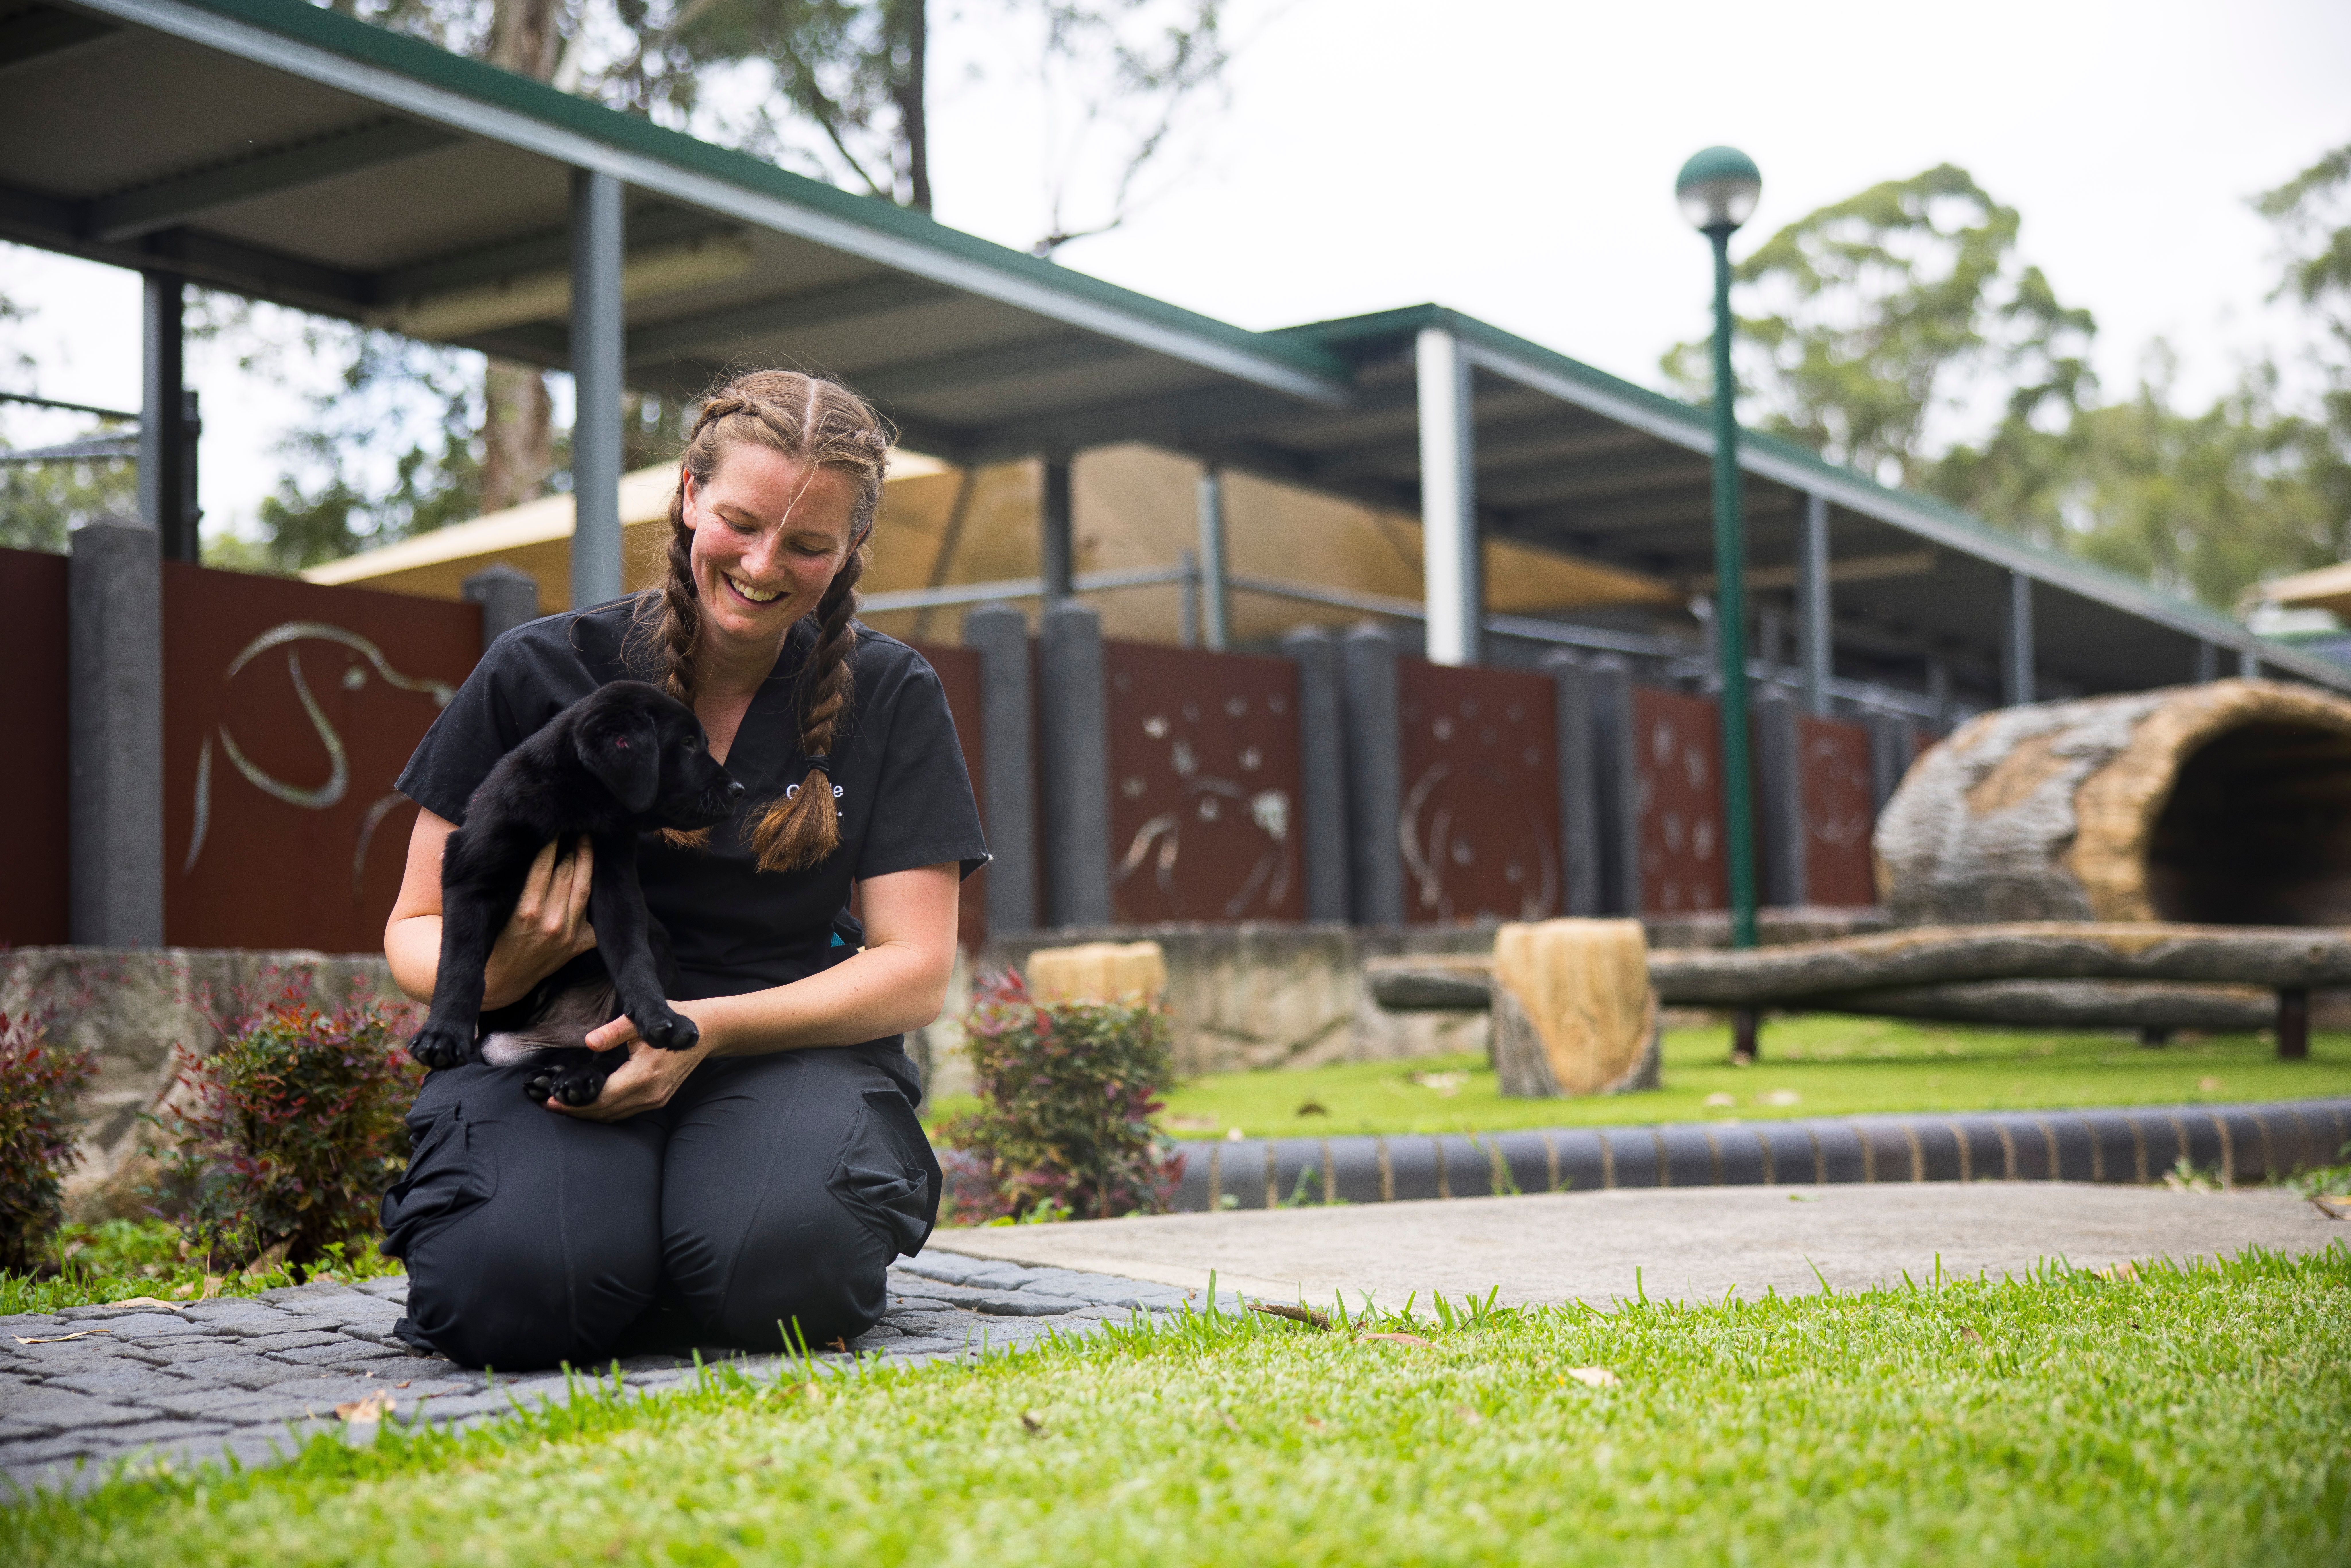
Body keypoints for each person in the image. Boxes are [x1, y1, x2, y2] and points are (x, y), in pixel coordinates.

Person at [378, 370, 987, 1371]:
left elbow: (915, 967)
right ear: (688, 498)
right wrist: (500, 972)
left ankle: (687, 1239)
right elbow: (412, 924)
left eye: (807, 544)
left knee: (782, 1272)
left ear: (846, 554)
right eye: (741, 522)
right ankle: (625, 1249)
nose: (762, 565)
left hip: (780, 1051)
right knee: (514, 1295)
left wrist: (708, 1030)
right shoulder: (540, 670)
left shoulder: (890, 692)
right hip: (550, 1040)